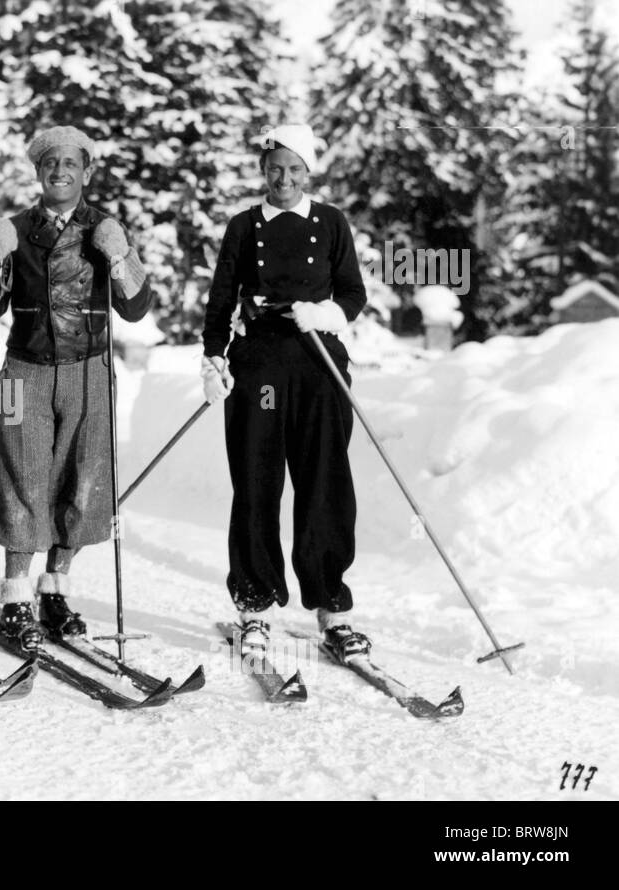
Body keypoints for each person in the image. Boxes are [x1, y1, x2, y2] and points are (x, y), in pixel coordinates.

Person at [0, 125, 153, 651]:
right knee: (21, 475)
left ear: (87, 171)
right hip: (22, 369)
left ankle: (55, 591)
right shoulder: (15, 228)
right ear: (38, 171)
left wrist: (119, 256)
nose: (61, 172)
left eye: (72, 163)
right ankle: (14, 600)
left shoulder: (103, 228)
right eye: (51, 163)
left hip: (89, 369)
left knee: (83, 476)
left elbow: (136, 308)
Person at [200, 123, 370, 662]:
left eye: (295, 170)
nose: (284, 179)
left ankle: (332, 611)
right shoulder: (244, 226)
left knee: (325, 484)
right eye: (275, 168)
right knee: (257, 483)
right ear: (262, 170)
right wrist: (213, 357)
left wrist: (323, 314)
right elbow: (221, 298)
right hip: (261, 371)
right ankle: (253, 608)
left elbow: (353, 293)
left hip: (319, 368)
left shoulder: (331, 223)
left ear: (309, 172)